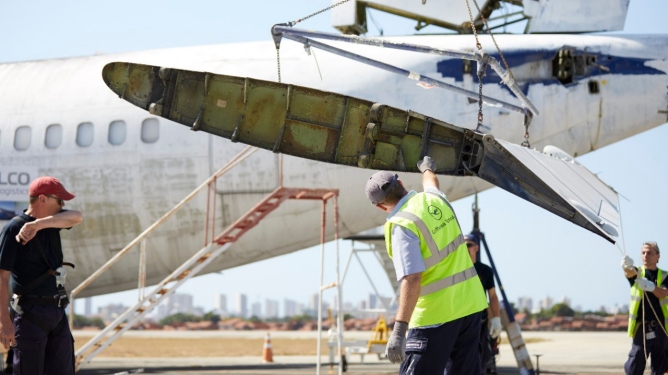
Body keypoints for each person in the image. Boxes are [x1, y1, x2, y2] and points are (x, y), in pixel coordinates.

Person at [364, 156, 488, 375]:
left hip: (435, 316)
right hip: (470, 306)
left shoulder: (402, 225)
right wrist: (426, 167)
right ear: (401, 183)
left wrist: (399, 330)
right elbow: (431, 183)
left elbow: (412, 278)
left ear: (380, 207)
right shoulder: (434, 200)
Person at [0, 176, 83, 374]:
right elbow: (2, 278)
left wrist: (37, 225)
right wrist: (4, 322)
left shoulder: (52, 223)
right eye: (60, 200)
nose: (63, 205)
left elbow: (77, 216)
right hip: (29, 314)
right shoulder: (13, 229)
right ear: (43, 199)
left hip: (57, 311)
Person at [621, 242, 668, 375]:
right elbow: (630, 273)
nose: (646, 255)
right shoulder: (637, 272)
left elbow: (664, 292)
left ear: (658, 256)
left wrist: (651, 287)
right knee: (635, 362)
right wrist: (626, 266)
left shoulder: (665, 275)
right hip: (641, 327)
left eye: (650, 253)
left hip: (661, 328)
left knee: (659, 366)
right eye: (643, 253)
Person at [464, 233, 502, 374]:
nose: (465, 248)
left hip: (480, 321)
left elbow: (492, 296)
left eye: (468, 245)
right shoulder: (455, 269)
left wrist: (496, 319)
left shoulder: (485, 270)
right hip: (459, 320)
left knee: (482, 357)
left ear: (476, 248)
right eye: (462, 245)